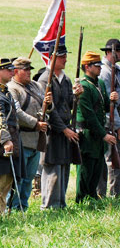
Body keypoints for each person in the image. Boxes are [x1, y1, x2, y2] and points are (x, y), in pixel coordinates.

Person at [37, 47, 81, 209]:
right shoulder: (44, 80)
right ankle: (49, 206)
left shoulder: (66, 79)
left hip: (65, 130)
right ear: (52, 57)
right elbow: (50, 110)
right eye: (62, 57)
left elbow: (68, 105)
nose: (65, 60)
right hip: (53, 131)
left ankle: (60, 204)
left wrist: (77, 96)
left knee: (63, 167)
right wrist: (64, 129)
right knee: (52, 169)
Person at [7, 57, 47, 212]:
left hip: (36, 139)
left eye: (30, 69)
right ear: (16, 71)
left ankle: (23, 206)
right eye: (26, 69)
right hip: (22, 138)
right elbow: (16, 112)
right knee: (19, 178)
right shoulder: (12, 88)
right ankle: (13, 207)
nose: (29, 72)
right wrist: (35, 123)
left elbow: (46, 108)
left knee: (29, 178)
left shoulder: (36, 86)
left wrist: (48, 106)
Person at [0, 58, 24, 218]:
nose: (12, 72)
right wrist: (6, 140)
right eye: (8, 69)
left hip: (10, 143)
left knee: (5, 184)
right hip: (1, 145)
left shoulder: (3, 91)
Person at [76, 51, 117, 202]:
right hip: (88, 135)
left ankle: (92, 199)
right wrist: (104, 135)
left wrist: (112, 100)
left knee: (97, 169)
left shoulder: (98, 84)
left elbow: (104, 107)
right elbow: (89, 116)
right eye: (96, 65)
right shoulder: (84, 86)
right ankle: (82, 200)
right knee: (86, 172)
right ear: (87, 67)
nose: (100, 68)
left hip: (98, 136)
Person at [99, 38, 120, 197]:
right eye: (117, 50)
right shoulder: (104, 72)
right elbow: (108, 104)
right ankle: (111, 195)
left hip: (117, 119)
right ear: (109, 52)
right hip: (110, 123)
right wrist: (117, 126)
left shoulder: (116, 70)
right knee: (110, 161)